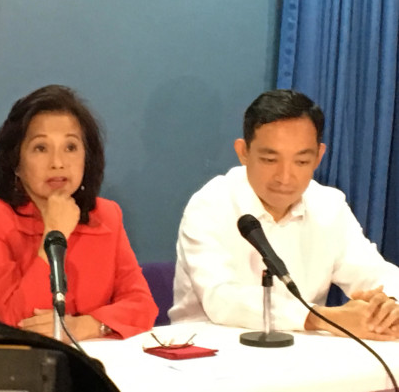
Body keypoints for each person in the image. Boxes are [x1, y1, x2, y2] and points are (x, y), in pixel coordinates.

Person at [169, 89, 399, 340]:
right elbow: (221, 298)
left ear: (318, 157)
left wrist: (387, 305)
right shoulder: (210, 204)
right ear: (243, 152)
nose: (285, 178)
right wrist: (321, 317)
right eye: (270, 160)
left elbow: (372, 271)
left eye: (301, 162)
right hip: (210, 353)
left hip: (302, 355)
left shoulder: (328, 204)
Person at [0, 85, 158, 343]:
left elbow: (142, 306)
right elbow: (18, 321)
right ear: (16, 164)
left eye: (70, 147)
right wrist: (55, 232)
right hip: (5, 372)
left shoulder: (107, 215)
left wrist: (86, 325)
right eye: (41, 148)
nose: (58, 162)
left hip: (89, 363)